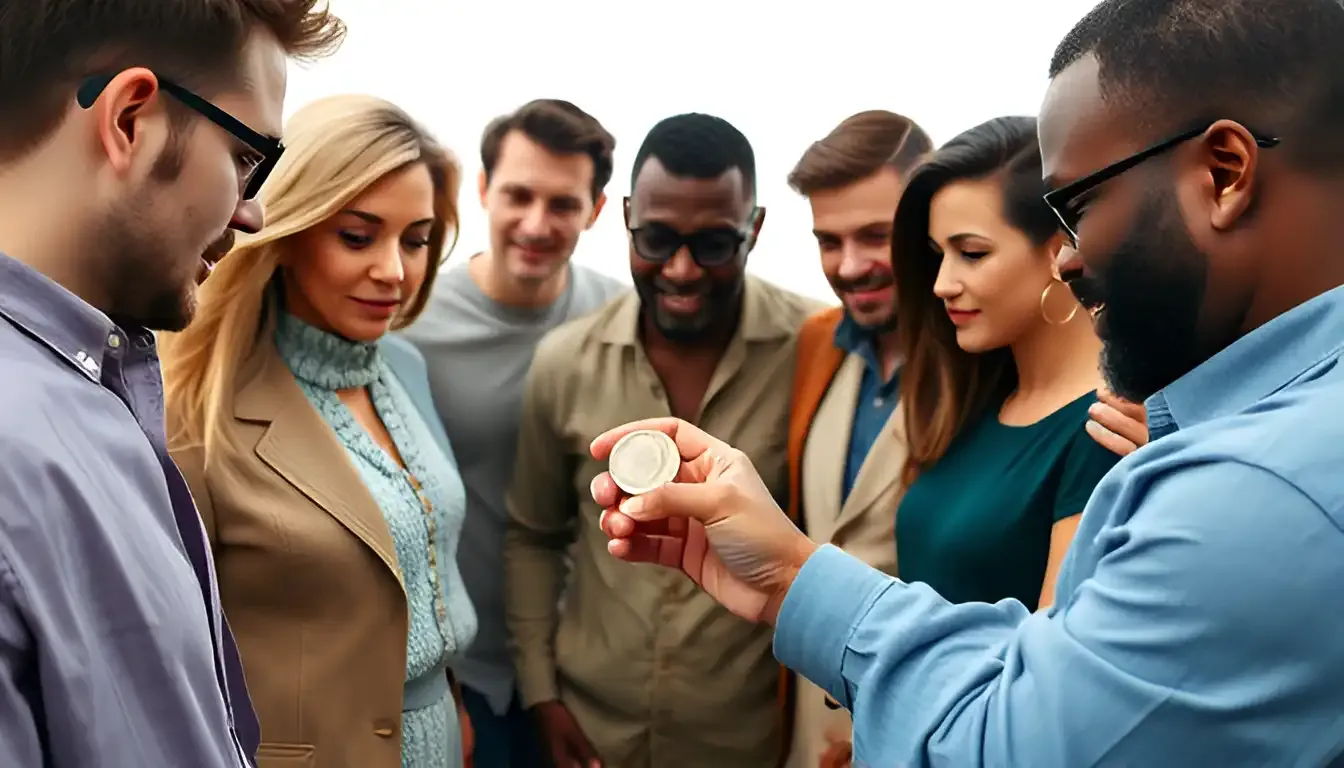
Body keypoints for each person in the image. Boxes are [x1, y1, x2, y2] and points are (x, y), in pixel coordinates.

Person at [586, 0, 1344, 764]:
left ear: (1224, 173)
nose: (1070, 259)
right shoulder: (1211, 436)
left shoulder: (1249, 486)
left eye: (1078, 207)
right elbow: (1055, 667)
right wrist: (790, 575)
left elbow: (1012, 742)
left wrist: (803, 589)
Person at [0, 2, 343, 766]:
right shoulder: (21, 446)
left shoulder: (85, 388)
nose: (254, 214)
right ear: (131, 119)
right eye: (249, 157)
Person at [159, 94, 476, 768]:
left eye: (416, 240)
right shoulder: (196, 409)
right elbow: (170, 659)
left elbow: (418, 575)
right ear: (290, 232)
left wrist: (447, 703)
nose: (393, 271)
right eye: (357, 236)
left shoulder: (407, 369)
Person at [504, 113, 822, 768]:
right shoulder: (564, 361)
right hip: (591, 726)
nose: (680, 270)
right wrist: (542, 696)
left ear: (755, 229)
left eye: (713, 245)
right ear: (624, 216)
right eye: (655, 238)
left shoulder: (816, 348)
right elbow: (533, 537)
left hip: (744, 738)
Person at [397, 99, 626, 768]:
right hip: (452, 675)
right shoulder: (408, 319)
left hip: (579, 676)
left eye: (563, 204)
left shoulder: (621, 319)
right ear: (481, 190)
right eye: (519, 195)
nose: (536, 223)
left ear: (597, 210)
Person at [889, 116, 1121, 612]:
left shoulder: (1107, 428)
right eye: (937, 255)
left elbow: (1049, 664)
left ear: (1061, 254)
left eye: (971, 254)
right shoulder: (973, 403)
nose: (941, 283)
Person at [780, 109, 932, 768]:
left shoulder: (997, 359)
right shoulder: (817, 342)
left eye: (877, 235)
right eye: (828, 241)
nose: (851, 265)